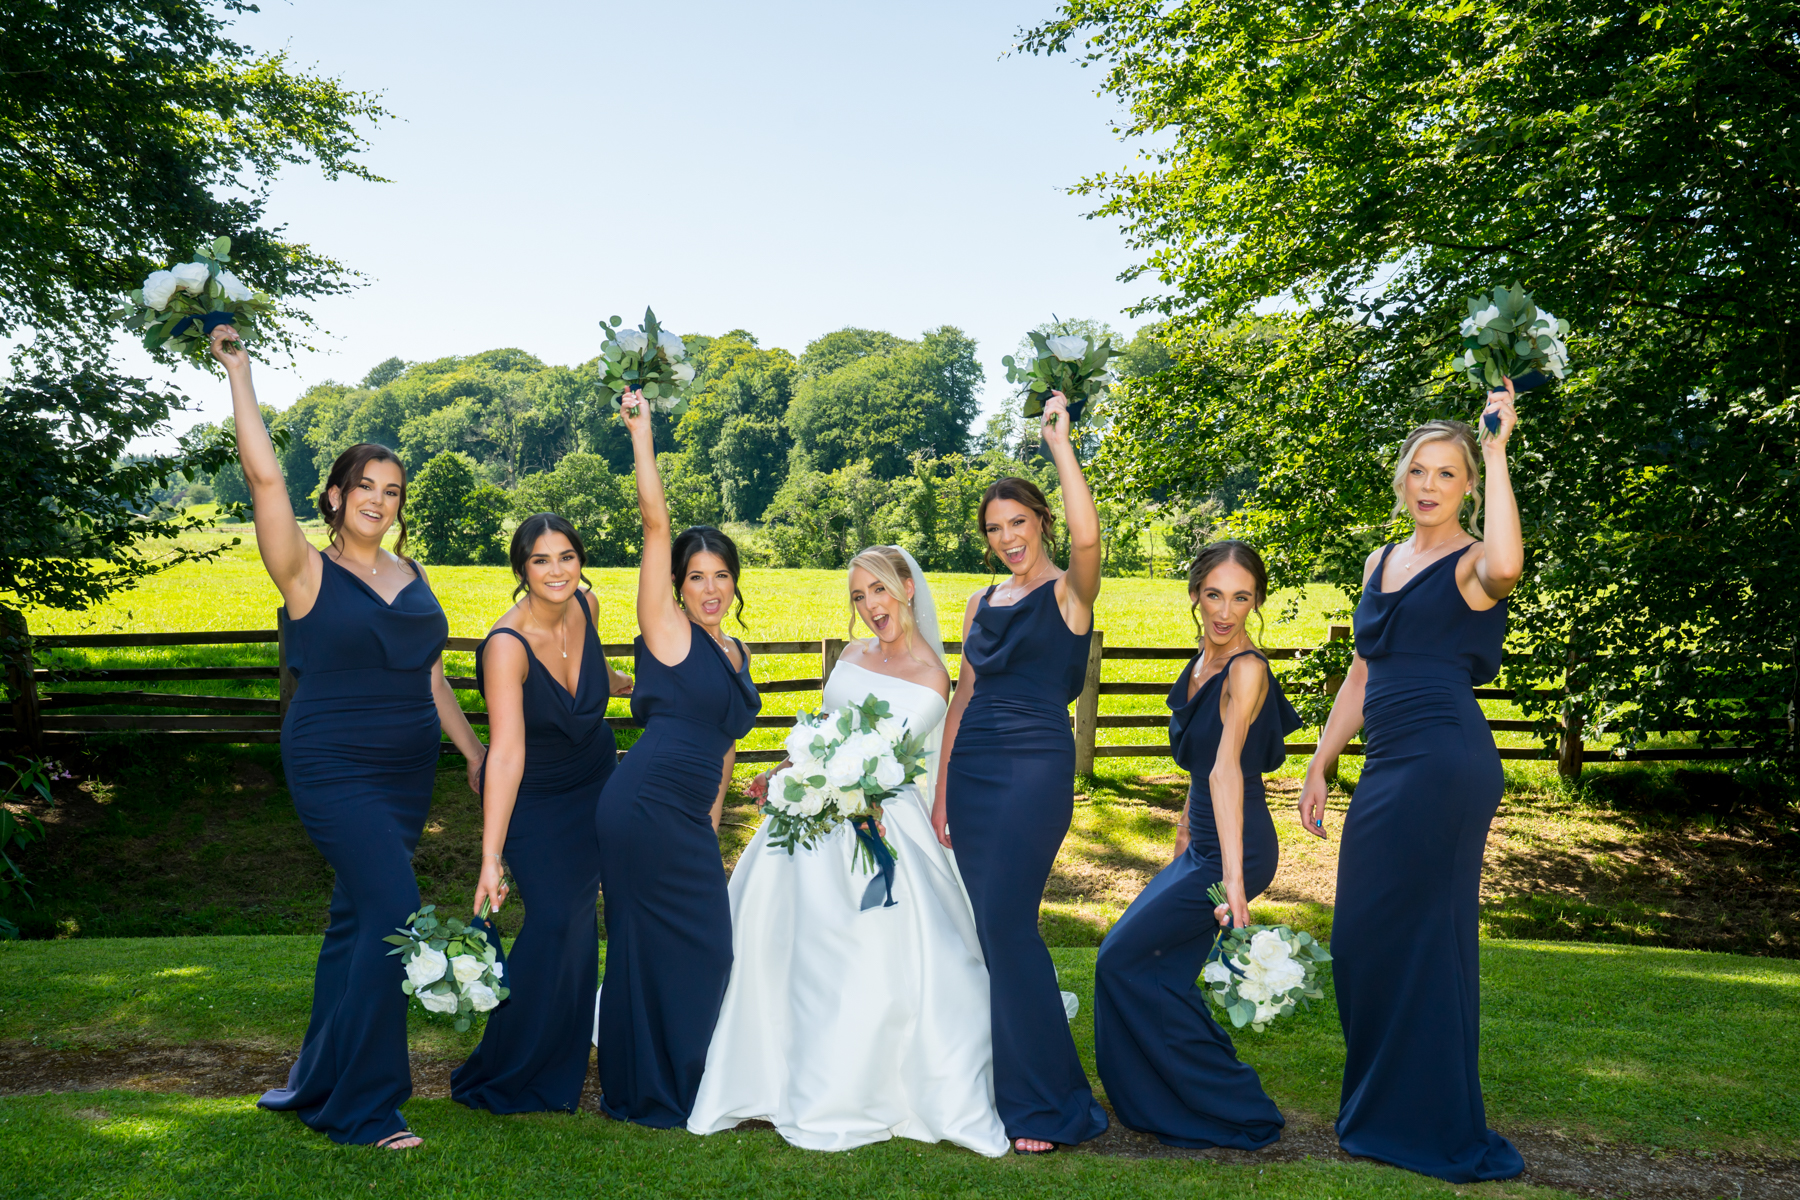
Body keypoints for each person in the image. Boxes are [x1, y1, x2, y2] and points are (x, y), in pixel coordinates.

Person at [210, 326, 486, 1149]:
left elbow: (432, 674)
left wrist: (470, 751)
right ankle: (363, 1108)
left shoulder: (414, 575)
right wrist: (241, 374)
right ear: (334, 496)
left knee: (355, 923)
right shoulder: (302, 568)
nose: (378, 499)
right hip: (331, 761)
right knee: (398, 915)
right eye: (364, 485)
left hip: (407, 771)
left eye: (393, 490)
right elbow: (264, 473)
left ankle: (316, 1078)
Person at [688, 546, 1008, 1157]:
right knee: (768, 937)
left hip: (883, 818)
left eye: (879, 591)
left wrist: (857, 787)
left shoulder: (933, 676)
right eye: (859, 597)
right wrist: (782, 771)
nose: (870, 608)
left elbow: (914, 762)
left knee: (881, 950)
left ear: (908, 589)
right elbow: (820, 734)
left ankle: (864, 1080)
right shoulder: (852, 655)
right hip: (809, 811)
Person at [1299, 384, 1526, 1182]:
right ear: (1403, 481)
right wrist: (1322, 759)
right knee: (1363, 938)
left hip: (1447, 763)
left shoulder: (1471, 565)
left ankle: (1428, 1124)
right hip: (1387, 764)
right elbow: (1362, 671)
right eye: (1419, 472)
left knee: (1429, 941)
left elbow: (1508, 564)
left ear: (1467, 486)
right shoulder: (1380, 561)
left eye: (1449, 473)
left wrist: (1497, 449)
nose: (1430, 486)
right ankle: (1379, 1106)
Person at [932, 392, 1108, 1154]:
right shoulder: (980, 601)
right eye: (995, 529)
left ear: (1041, 522)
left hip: (1036, 766)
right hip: (971, 770)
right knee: (992, 930)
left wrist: (1060, 444)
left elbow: (1092, 536)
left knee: (1008, 926)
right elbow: (961, 694)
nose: (1008, 538)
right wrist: (939, 795)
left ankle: (1048, 1105)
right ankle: (1018, 1086)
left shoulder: (1069, 593)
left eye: (1019, 522)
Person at [1093, 540, 1299, 1149]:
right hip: (1204, 845)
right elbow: (1200, 768)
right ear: (1194, 594)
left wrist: (1232, 883)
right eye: (1215, 594)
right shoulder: (1200, 664)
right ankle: (1181, 1105)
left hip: (1236, 850)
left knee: (1120, 958)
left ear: (1256, 601)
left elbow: (1226, 770)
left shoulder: (1247, 669)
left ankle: (1233, 1106)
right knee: (1157, 973)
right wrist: (1185, 830)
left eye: (1242, 597)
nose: (1226, 611)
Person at [592, 389, 762, 1127]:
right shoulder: (665, 630)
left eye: (721, 574)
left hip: (689, 815)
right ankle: (643, 1091)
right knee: (643, 946)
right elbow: (655, 521)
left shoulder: (737, 649)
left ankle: (684, 1079)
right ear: (677, 586)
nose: (711, 587)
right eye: (697, 576)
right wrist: (642, 436)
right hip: (641, 801)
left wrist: (714, 826)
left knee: (703, 948)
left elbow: (725, 749)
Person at [451, 515, 633, 1113]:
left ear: (581, 562)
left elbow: (600, 675)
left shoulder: (588, 605)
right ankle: (505, 1067)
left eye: (566, 557)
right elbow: (504, 754)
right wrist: (491, 854)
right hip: (537, 799)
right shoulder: (506, 647)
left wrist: (645, 683)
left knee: (580, 928)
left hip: (598, 785)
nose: (557, 571)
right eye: (540, 560)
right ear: (521, 569)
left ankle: (561, 1065)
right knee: (554, 920)